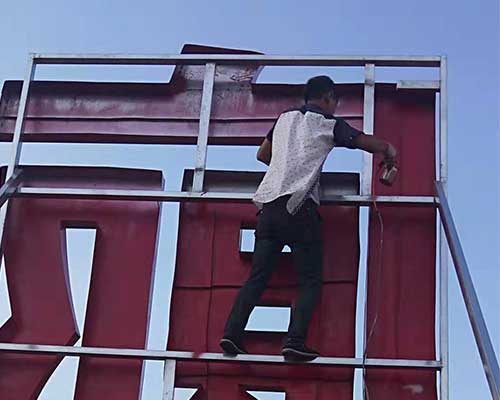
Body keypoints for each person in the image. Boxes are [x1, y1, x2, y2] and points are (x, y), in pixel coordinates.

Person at [219, 75, 397, 361]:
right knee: (310, 281)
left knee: (257, 278)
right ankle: (294, 342)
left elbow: (263, 154)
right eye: (335, 102)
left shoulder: (284, 119)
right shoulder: (327, 123)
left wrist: (286, 165)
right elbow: (361, 141)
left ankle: (231, 334)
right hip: (300, 208)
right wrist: (388, 149)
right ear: (328, 97)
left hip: (268, 208)